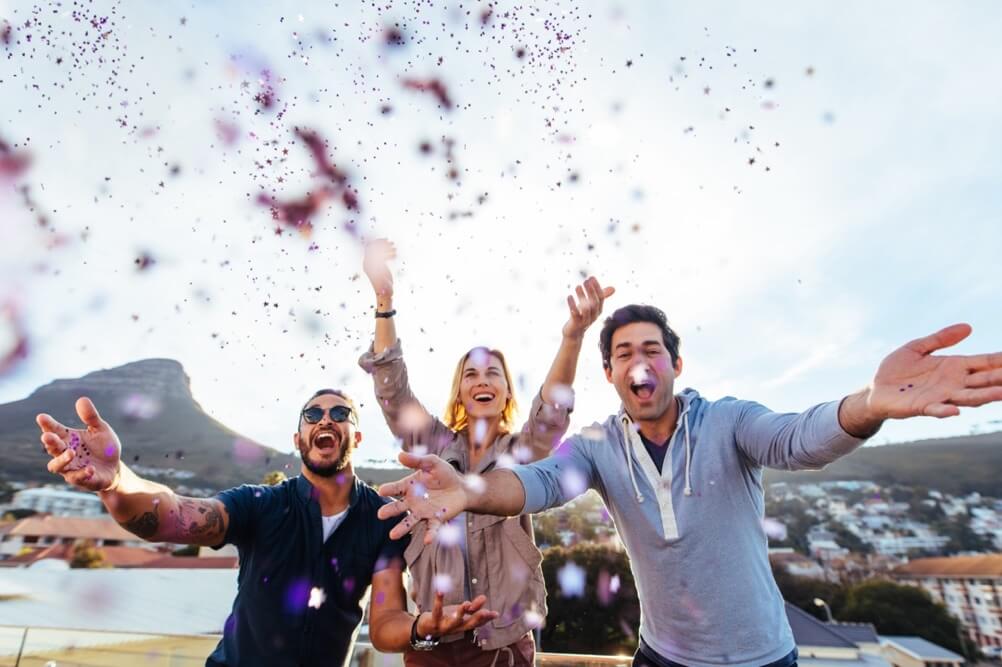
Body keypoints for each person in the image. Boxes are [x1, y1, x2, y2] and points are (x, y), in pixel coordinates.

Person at [376, 306, 1002, 667]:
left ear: (676, 364)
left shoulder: (728, 420)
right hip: (660, 658)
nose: (640, 362)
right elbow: (539, 483)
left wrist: (867, 404)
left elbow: (797, 438)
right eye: (624, 353)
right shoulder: (599, 446)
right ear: (611, 373)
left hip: (762, 659)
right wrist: (472, 492)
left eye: (653, 349)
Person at [37, 389, 497, 667]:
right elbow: (173, 515)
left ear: (355, 438)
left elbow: (385, 624)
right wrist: (118, 481)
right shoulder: (259, 504)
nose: (325, 420)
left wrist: (423, 627)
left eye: (341, 415)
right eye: (313, 415)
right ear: (298, 438)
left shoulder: (381, 519)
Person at [357, 238, 614, 666]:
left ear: (507, 391)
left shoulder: (522, 452)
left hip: (505, 649)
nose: (483, 380)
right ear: (460, 391)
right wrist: (384, 301)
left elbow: (552, 413)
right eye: (471, 374)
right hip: (431, 646)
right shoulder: (431, 447)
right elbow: (392, 391)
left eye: (493, 373)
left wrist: (573, 335)